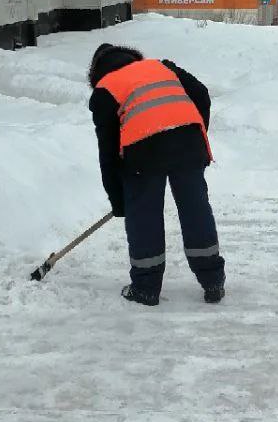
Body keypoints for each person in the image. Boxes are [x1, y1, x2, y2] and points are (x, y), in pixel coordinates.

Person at [88, 43, 225, 306]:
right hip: (188, 142)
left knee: (144, 215)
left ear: (97, 73)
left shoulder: (105, 90)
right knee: (195, 209)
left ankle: (146, 288)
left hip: (143, 152)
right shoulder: (161, 66)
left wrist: (120, 201)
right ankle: (213, 281)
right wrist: (195, 133)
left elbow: (107, 155)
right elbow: (201, 93)